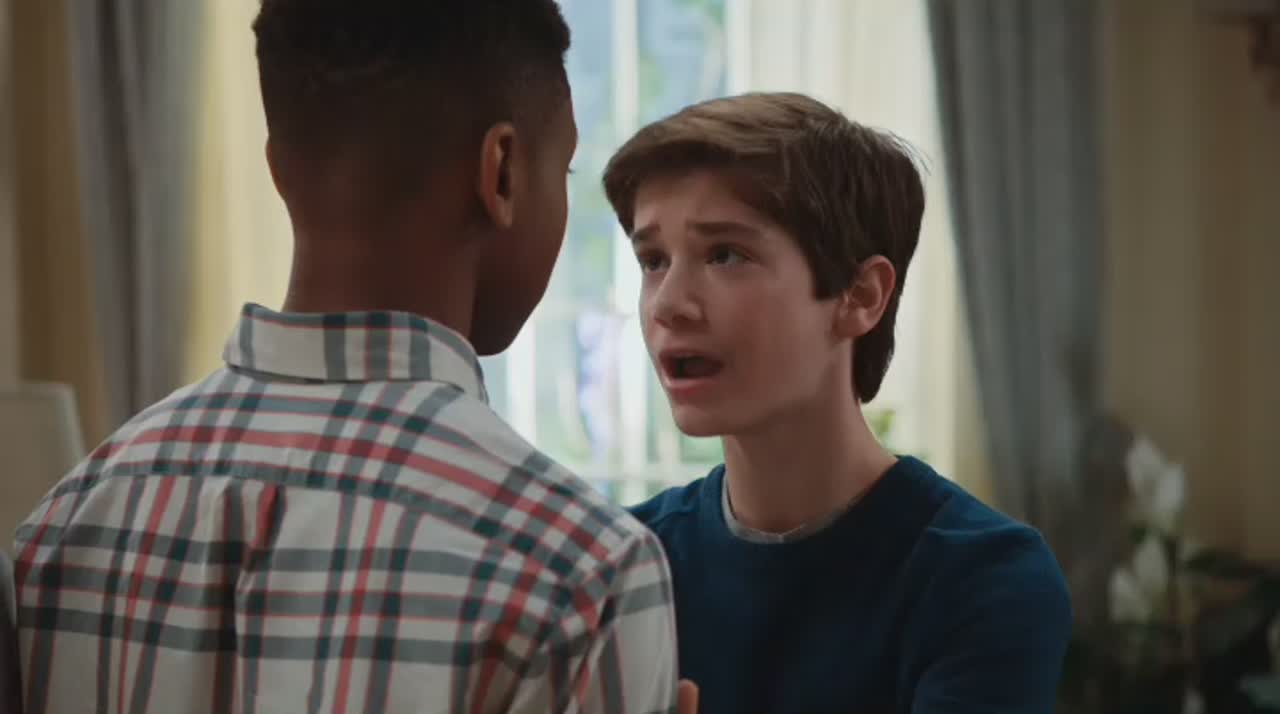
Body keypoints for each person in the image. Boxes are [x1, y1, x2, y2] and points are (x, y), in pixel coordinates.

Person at [10, 2, 683, 712]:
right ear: (503, 171)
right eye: (564, 169)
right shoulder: (582, 580)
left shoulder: (61, 527)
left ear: (278, 169)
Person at [604, 92, 1072, 714]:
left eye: (725, 255)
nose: (668, 304)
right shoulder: (627, 562)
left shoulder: (984, 579)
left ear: (861, 296)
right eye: (653, 260)